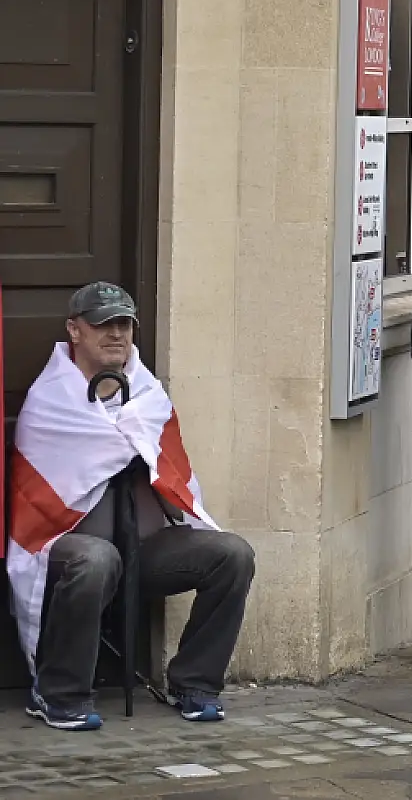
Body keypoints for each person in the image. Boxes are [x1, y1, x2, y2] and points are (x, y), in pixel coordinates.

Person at [8, 283, 255, 731]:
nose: (116, 334)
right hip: (68, 546)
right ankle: (60, 694)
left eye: (123, 324)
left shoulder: (148, 397)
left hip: (143, 547)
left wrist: (137, 442)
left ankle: (195, 683)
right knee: (96, 559)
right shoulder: (50, 401)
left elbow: (175, 481)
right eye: (103, 324)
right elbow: (39, 506)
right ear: (74, 330)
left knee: (232, 554)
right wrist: (119, 442)